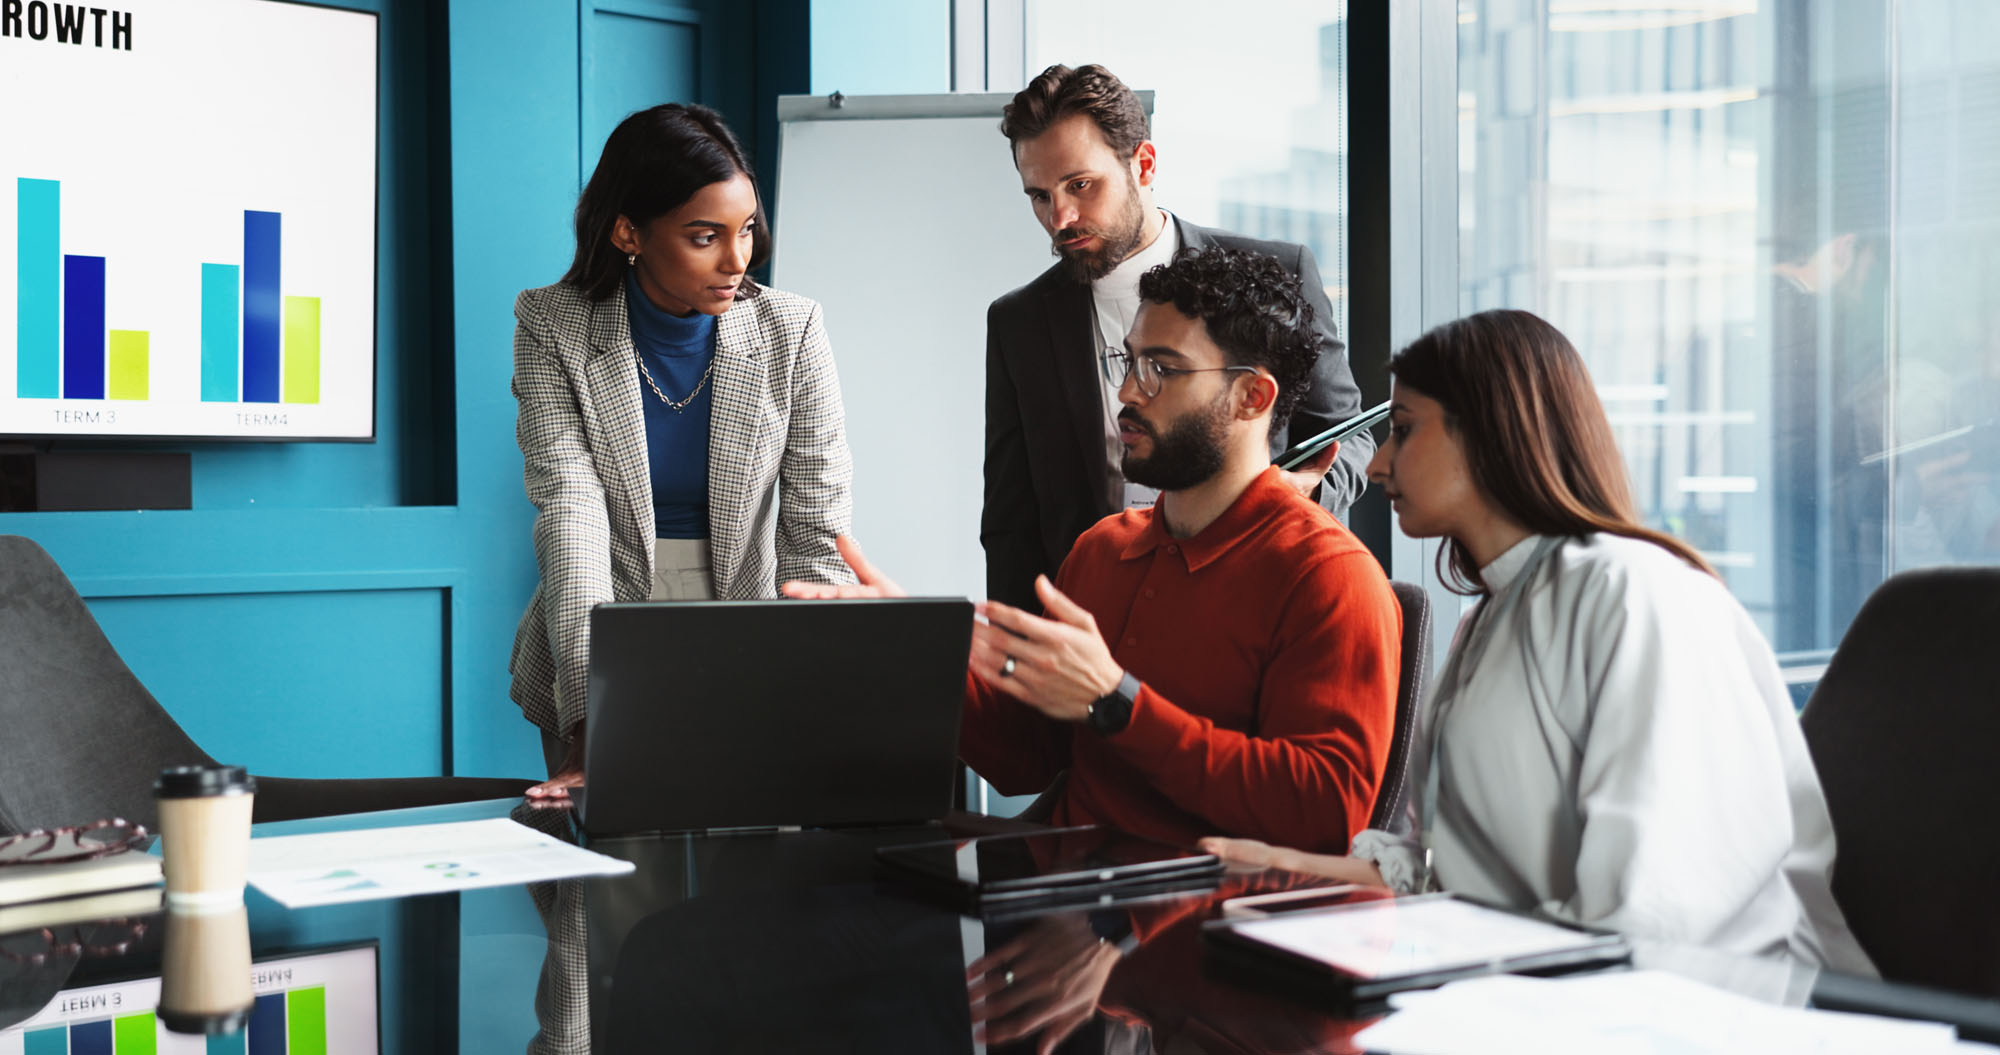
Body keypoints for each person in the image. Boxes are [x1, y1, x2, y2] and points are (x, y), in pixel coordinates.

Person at [1202, 309, 1876, 973]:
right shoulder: (1492, 614)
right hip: (1553, 992)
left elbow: (1661, 913)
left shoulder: (1633, 592)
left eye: (1403, 431)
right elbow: (1470, 873)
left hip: (1709, 1011)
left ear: (1491, 433)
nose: (1376, 467)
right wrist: (1303, 874)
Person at [792, 246, 1401, 854]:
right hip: (1068, 898)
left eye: (1161, 369)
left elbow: (1326, 814)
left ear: (1252, 398)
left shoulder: (1330, 577)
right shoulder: (1103, 549)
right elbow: (1030, 761)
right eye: (1129, 362)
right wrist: (923, 650)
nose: (1128, 393)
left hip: (1207, 916)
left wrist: (1117, 703)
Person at [510, 103, 854, 800]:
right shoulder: (552, 323)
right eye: (706, 236)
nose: (738, 260)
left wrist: (815, 697)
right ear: (629, 231)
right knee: (612, 886)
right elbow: (571, 514)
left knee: (745, 880)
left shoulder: (793, 331)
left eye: (747, 229)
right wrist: (590, 719)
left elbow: (816, 534)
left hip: (748, 624)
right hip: (598, 621)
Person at [982, 63, 1373, 612]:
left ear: (1143, 165)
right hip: (1095, 615)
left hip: (1255, 597)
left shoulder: (1275, 273)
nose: (1060, 217)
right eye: (1040, 196)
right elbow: (1010, 522)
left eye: (1080, 185)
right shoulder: (1017, 322)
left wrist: (1301, 494)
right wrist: (1014, 665)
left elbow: (1349, 435)